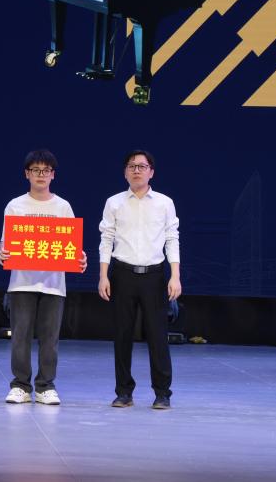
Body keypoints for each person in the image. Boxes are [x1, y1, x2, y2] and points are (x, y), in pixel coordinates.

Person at [0, 149, 87, 405]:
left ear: (53, 175)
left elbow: (72, 246)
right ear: (26, 174)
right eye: (35, 170)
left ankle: (45, 386)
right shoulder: (15, 205)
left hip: (53, 284)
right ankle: (20, 386)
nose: (41, 174)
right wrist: (2, 254)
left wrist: (80, 258)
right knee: (21, 336)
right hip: (22, 282)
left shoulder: (63, 206)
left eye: (46, 170)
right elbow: (5, 245)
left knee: (50, 338)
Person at [98, 149, 181, 410]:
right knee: (122, 335)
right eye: (132, 166)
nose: (137, 170)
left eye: (142, 166)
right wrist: (103, 276)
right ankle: (124, 392)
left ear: (151, 172)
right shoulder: (114, 202)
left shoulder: (164, 203)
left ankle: (162, 393)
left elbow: (172, 239)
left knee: (157, 336)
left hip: (154, 275)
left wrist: (175, 275)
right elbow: (106, 239)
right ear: (125, 172)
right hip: (122, 274)